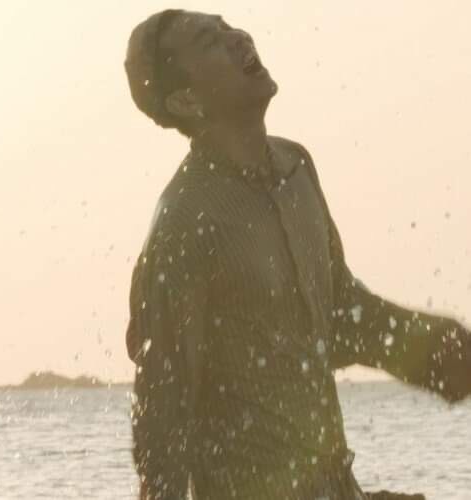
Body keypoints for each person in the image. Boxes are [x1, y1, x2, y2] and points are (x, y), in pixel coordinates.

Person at [123, 9, 470, 500]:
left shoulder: (296, 167)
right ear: (186, 100)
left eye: (226, 26)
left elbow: (339, 314)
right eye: (210, 40)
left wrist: (440, 352)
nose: (237, 37)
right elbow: (163, 409)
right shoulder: (184, 223)